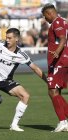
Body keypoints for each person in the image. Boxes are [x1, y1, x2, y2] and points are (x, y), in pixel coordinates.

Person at [42, 3, 68, 132]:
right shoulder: (64, 21)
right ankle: (65, 120)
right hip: (64, 60)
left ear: (49, 13)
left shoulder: (57, 22)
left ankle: (63, 122)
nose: (45, 19)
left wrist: (57, 52)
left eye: (45, 16)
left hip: (59, 61)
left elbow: (63, 39)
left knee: (52, 91)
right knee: (56, 92)